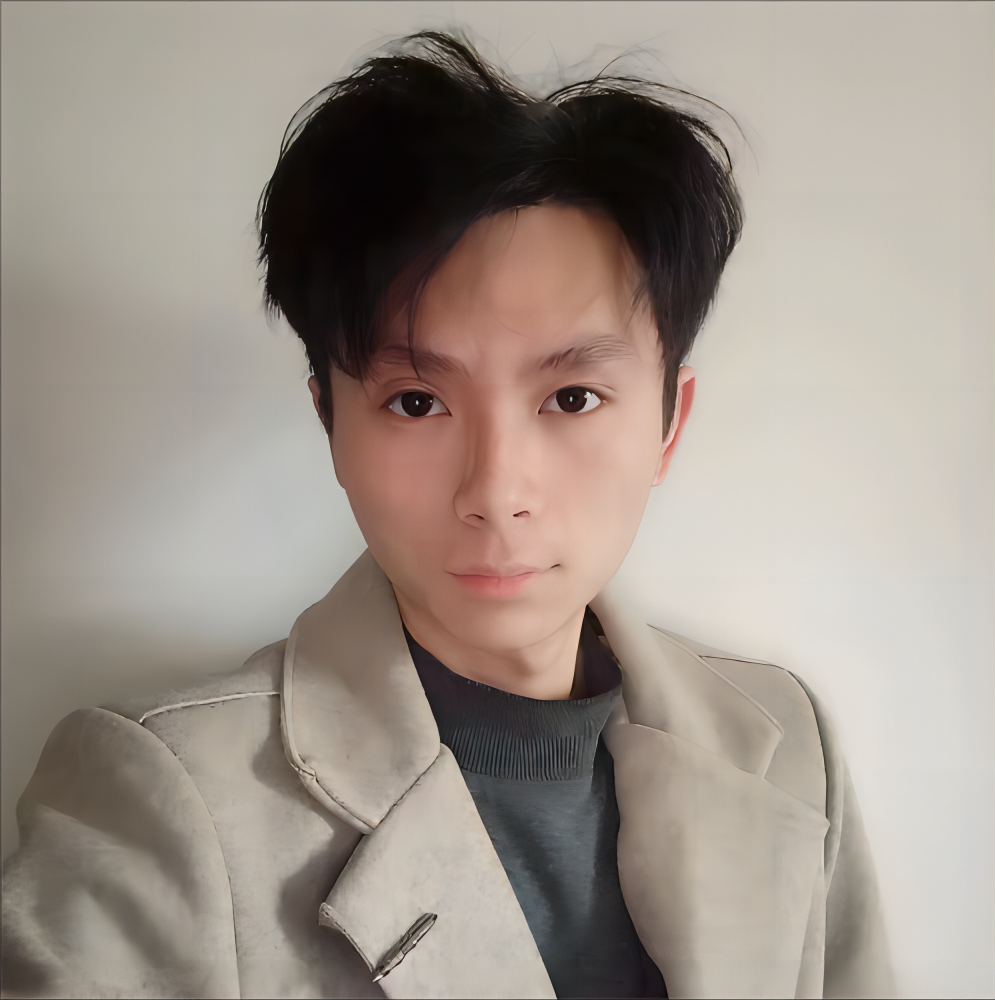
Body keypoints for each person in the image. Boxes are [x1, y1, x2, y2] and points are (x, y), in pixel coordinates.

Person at [1, 32, 895, 1000]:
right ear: (331, 423)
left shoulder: (785, 738)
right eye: (417, 401)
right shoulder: (161, 799)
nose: (496, 491)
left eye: (573, 398)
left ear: (668, 425)